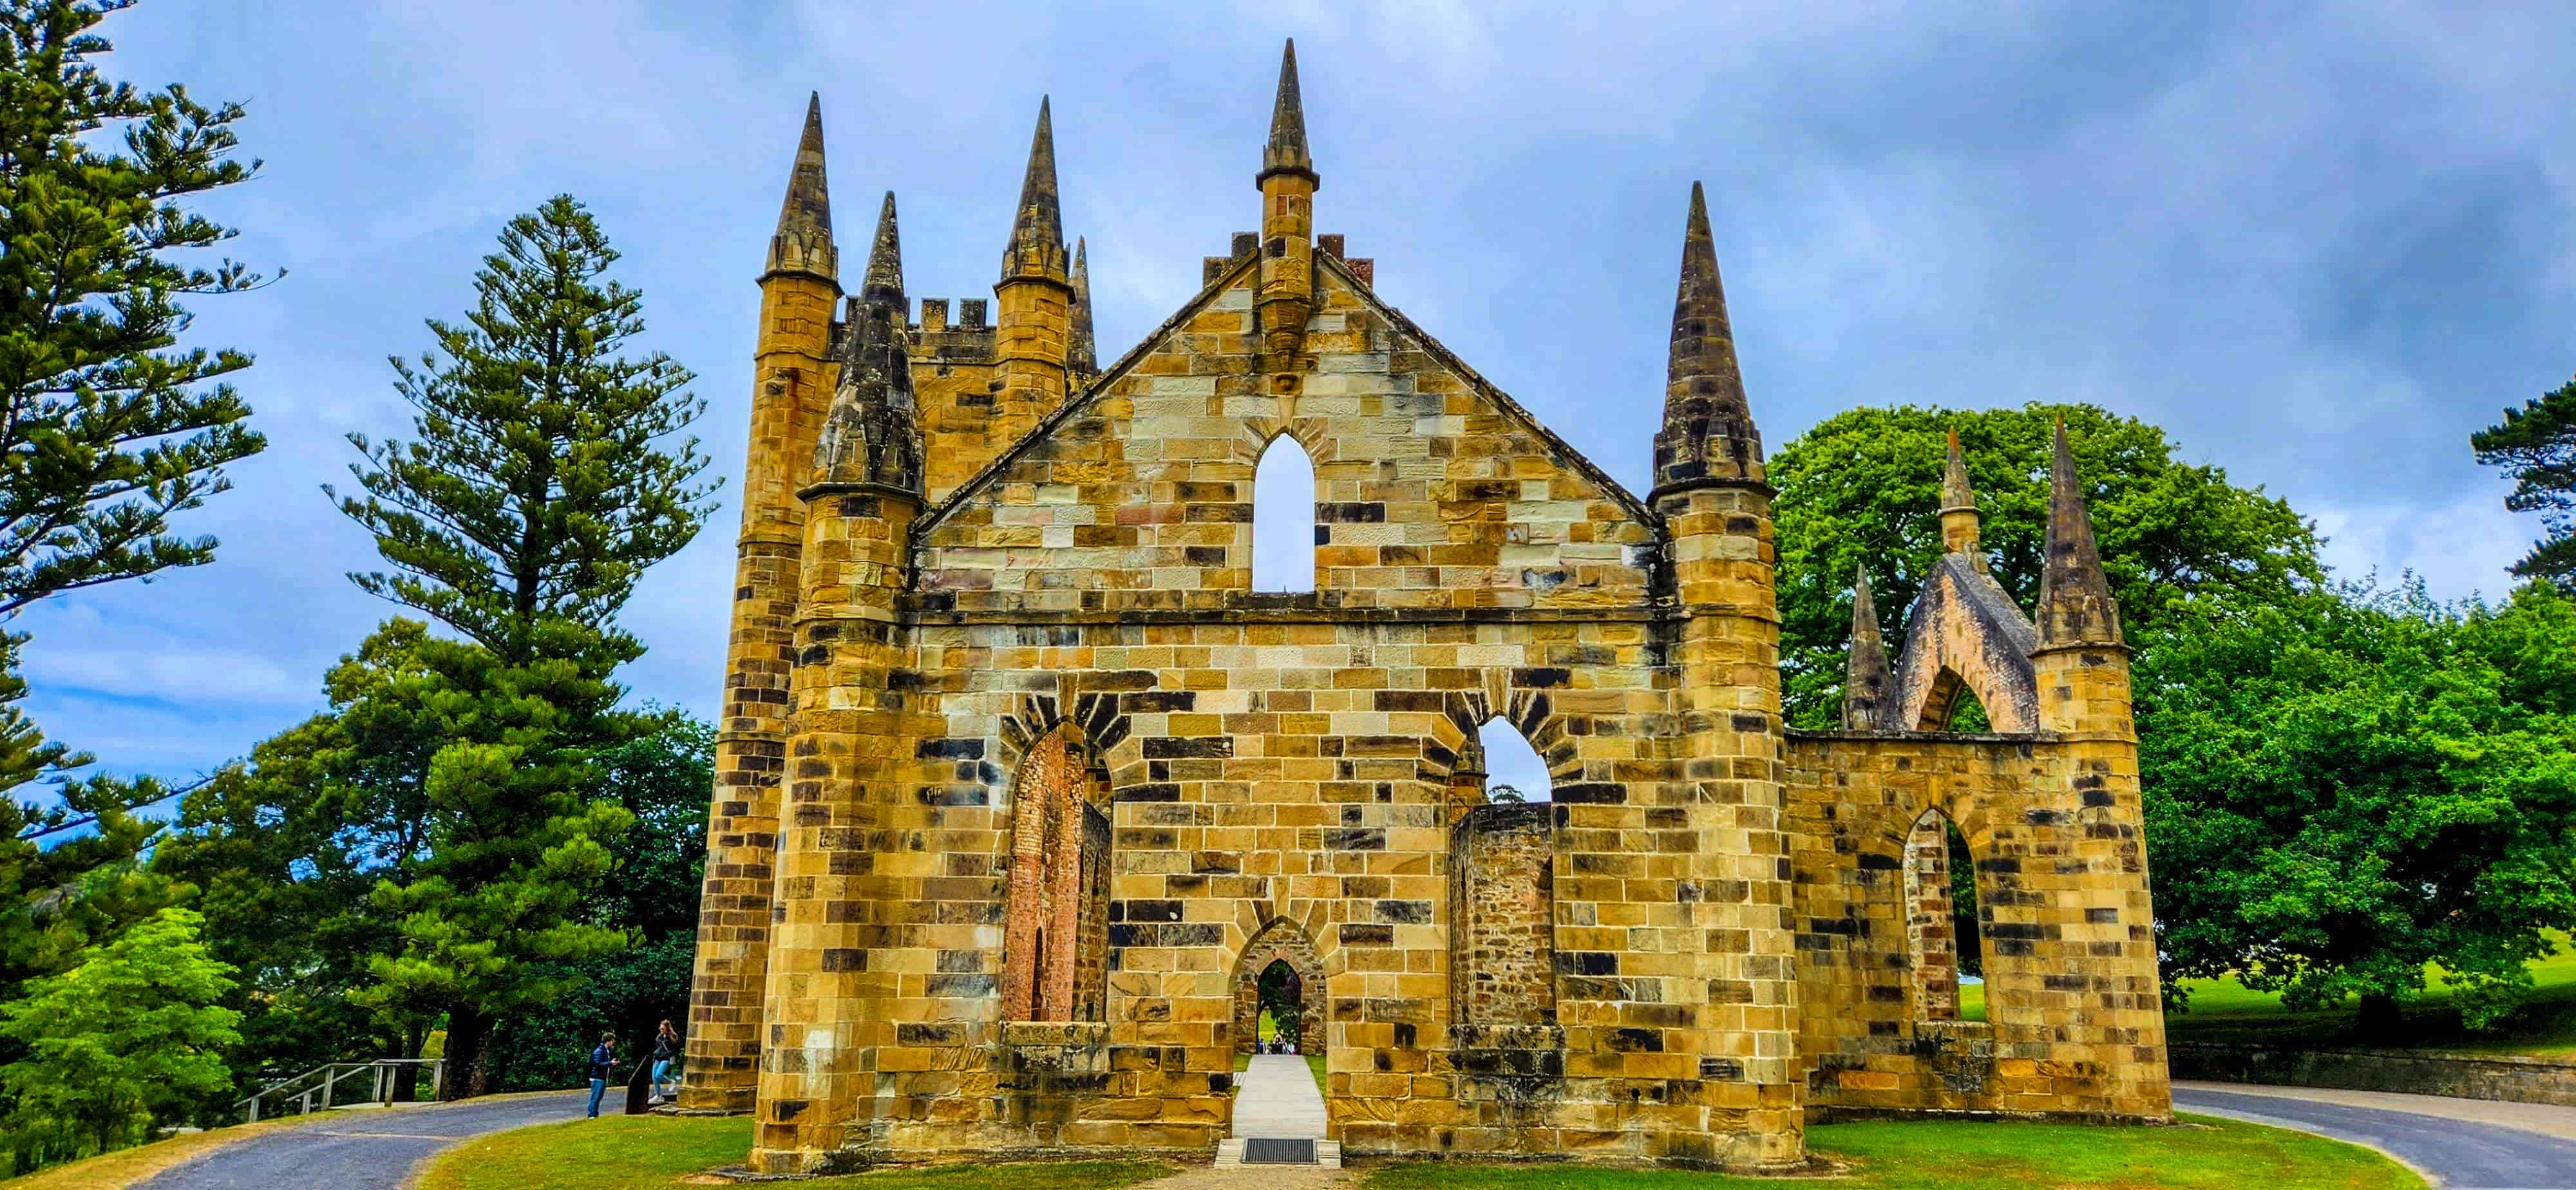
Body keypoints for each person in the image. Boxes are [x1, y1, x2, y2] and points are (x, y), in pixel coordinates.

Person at [586, 1032, 616, 1118]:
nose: (613, 1043)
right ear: (609, 1041)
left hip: (602, 1078)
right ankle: (591, 1115)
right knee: (595, 1098)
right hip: (597, 1078)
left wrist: (610, 1063)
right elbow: (597, 1063)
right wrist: (610, 1063)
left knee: (598, 1098)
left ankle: (595, 1114)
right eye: (612, 1041)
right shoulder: (599, 1051)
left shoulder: (605, 1051)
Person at [650, 1020, 680, 1104]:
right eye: (660, 1028)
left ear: (667, 1028)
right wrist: (656, 1053)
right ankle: (658, 1096)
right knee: (654, 1078)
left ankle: (671, 1081)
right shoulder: (659, 1037)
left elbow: (676, 1049)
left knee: (659, 1074)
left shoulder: (672, 1036)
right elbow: (658, 1047)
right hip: (658, 1059)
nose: (661, 1030)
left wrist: (667, 1054)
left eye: (662, 1028)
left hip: (666, 1059)